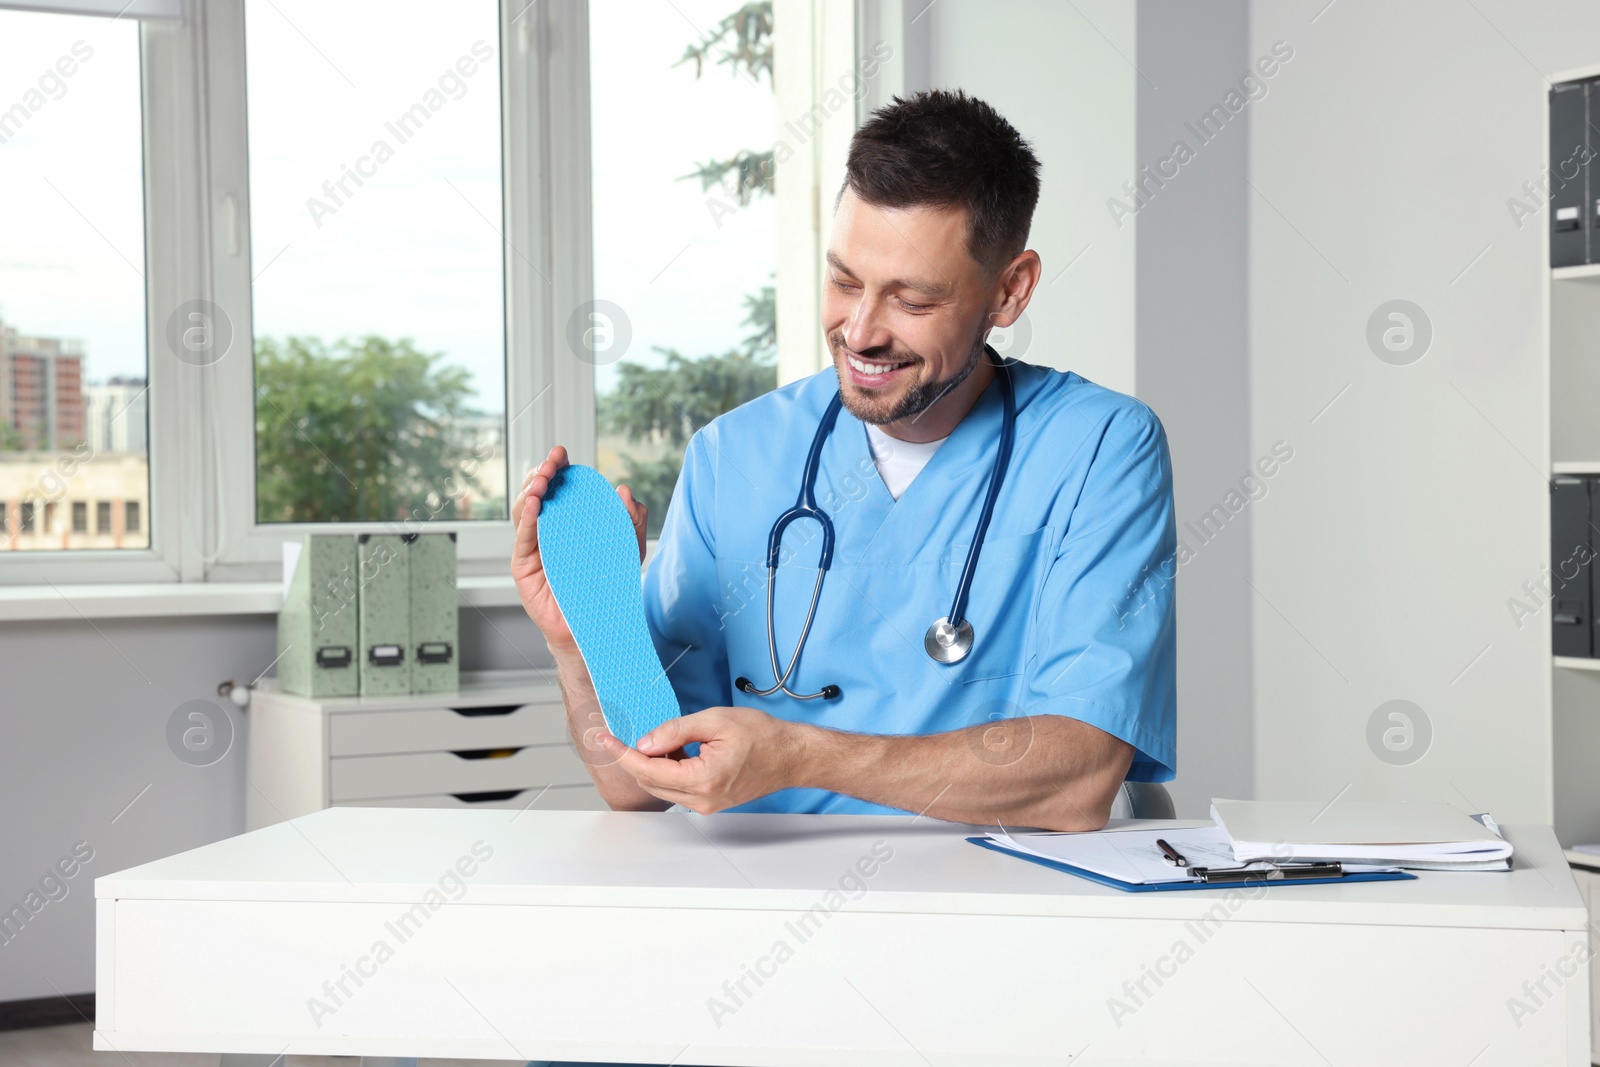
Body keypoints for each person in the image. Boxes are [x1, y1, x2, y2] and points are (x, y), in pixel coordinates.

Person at [513, 89, 1175, 836]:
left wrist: (799, 756)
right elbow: (640, 786)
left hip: (1003, 907)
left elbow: (1080, 776)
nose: (859, 332)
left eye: (912, 300)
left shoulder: (1100, 450)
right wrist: (580, 648)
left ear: (1009, 290)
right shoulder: (734, 456)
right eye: (845, 281)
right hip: (764, 902)